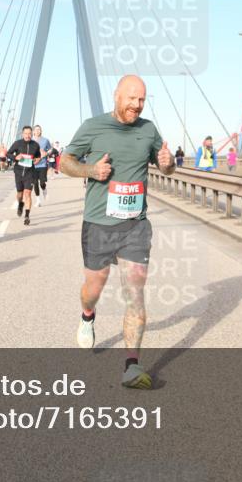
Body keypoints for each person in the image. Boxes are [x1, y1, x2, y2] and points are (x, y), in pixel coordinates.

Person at [60, 75, 175, 389]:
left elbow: (166, 166)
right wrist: (91, 170)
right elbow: (64, 162)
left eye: (141, 100)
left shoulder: (148, 130)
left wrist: (168, 163)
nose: (136, 106)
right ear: (116, 95)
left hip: (135, 226)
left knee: (135, 294)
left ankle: (131, 366)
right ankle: (87, 314)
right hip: (98, 224)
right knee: (94, 288)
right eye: (131, 99)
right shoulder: (93, 127)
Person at [7, 126, 42, 226]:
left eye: (29, 133)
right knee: (20, 195)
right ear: (22, 134)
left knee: (27, 194)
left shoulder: (35, 145)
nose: (27, 135)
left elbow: (38, 156)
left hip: (30, 173)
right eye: (26, 133)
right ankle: (20, 204)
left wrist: (38, 159)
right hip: (18, 172)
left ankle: (27, 216)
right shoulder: (17, 143)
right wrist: (15, 157)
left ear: (32, 134)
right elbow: (8, 154)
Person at [31, 124, 52, 207]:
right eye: (36, 129)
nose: (37, 131)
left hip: (43, 164)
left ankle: (44, 189)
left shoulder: (45, 140)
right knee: (35, 183)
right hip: (33, 165)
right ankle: (38, 201)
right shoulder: (30, 141)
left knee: (42, 182)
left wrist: (46, 153)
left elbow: (50, 149)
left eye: (39, 129)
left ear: (41, 131)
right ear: (33, 131)